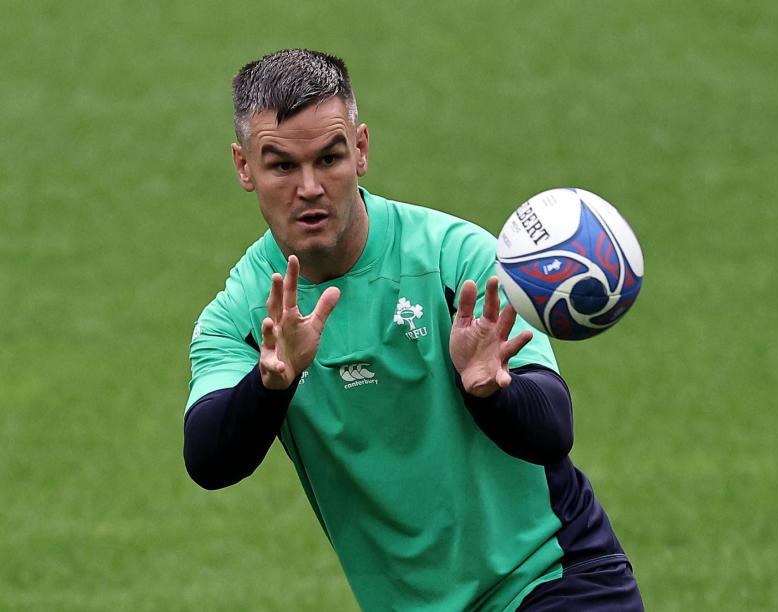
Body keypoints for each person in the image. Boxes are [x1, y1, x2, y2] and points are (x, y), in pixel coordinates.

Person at [183, 48, 644, 611]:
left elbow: (553, 430)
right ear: (244, 167)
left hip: (553, 578)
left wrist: (491, 391)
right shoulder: (244, 317)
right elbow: (208, 462)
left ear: (360, 149)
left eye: (329, 159)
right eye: (281, 165)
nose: (309, 187)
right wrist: (270, 386)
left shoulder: (457, 261)